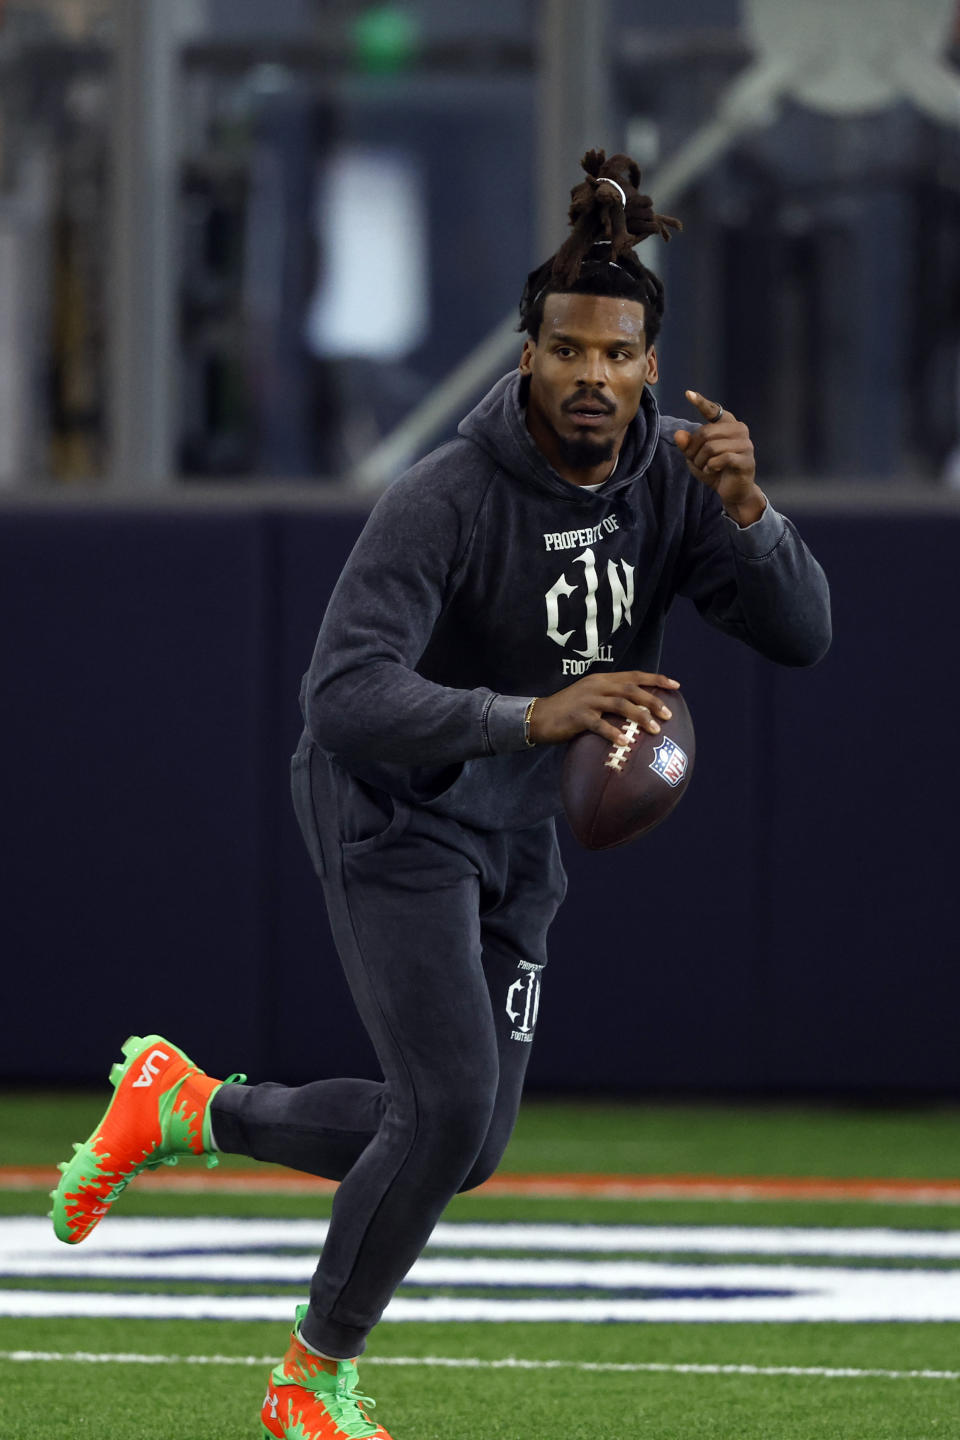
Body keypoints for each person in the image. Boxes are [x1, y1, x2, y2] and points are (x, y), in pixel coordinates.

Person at [51, 149, 831, 1439]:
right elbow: (340, 697)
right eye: (569, 350)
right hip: (393, 809)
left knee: (462, 1144)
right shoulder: (449, 498)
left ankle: (186, 1107)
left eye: (618, 356)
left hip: (520, 831)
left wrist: (753, 520)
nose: (594, 375)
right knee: (448, 1106)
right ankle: (311, 1379)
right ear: (528, 354)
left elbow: (803, 635)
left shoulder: (679, 480)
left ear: (650, 367)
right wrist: (530, 716)